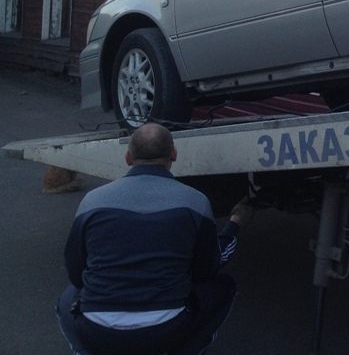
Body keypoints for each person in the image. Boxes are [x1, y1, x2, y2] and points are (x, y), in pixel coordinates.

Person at [56, 123, 252, 355]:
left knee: (67, 298)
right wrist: (233, 224)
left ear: (128, 157)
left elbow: (76, 273)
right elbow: (206, 270)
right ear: (174, 154)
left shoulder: (92, 201)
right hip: (166, 330)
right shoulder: (195, 202)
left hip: (96, 330)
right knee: (225, 287)